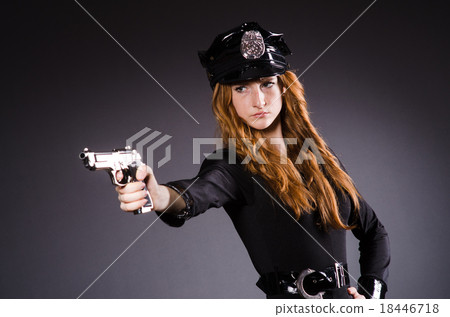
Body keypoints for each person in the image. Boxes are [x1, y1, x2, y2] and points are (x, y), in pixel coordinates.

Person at [116, 22, 390, 299]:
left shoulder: (320, 156)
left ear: (285, 88)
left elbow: (373, 231)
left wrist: (372, 294)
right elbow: (194, 194)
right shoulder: (231, 164)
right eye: (241, 89)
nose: (259, 100)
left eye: (267, 84)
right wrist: (157, 194)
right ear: (228, 100)